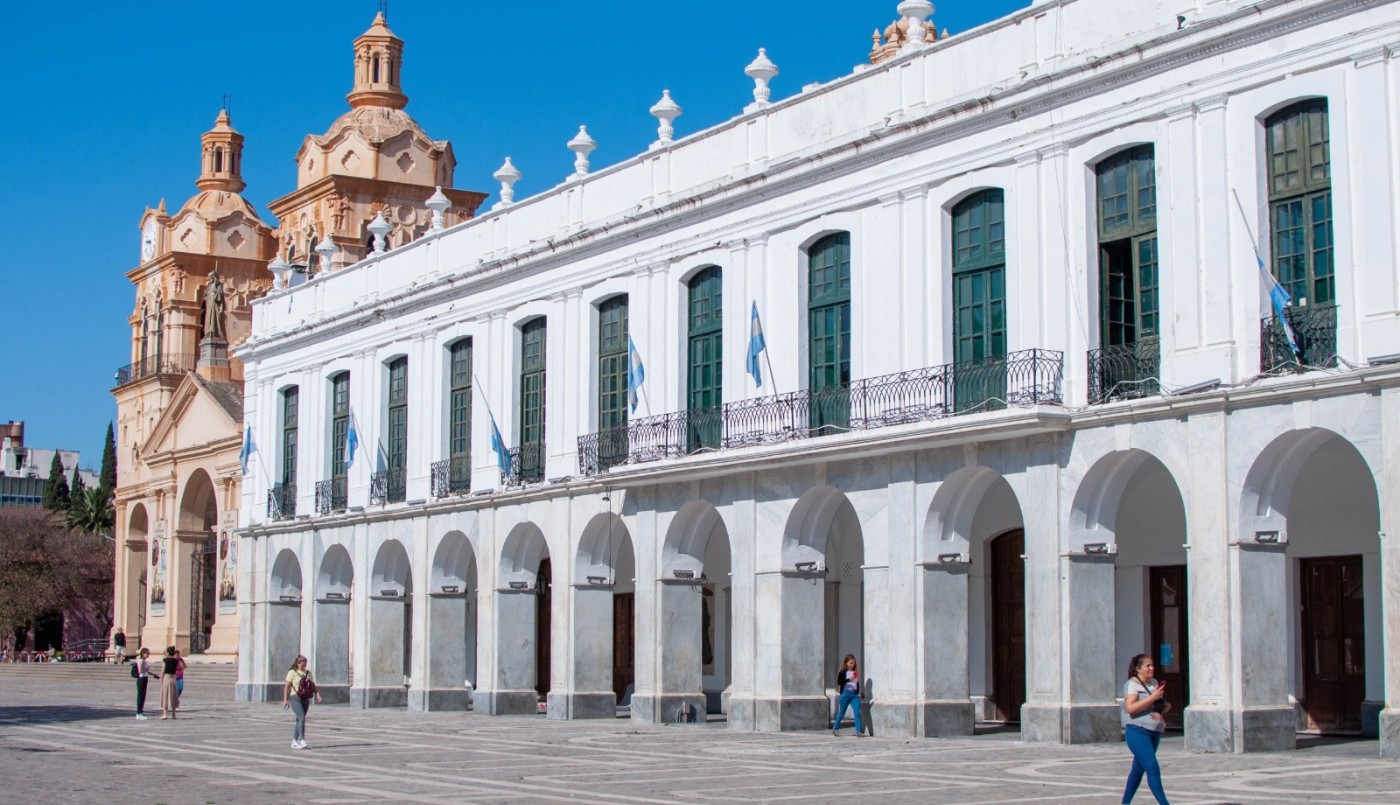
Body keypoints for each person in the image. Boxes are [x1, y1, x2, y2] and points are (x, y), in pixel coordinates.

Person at [1121, 653, 1172, 805]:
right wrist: (1153, 698)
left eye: (1152, 665)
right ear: (1138, 668)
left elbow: (1164, 705)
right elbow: (1131, 708)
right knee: (1152, 767)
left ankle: (1125, 803)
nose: (1151, 668)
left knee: (1137, 770)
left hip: (1153, 733)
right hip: (1137, 732)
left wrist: (1162, 709)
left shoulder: (1153, 683)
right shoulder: (1132, 684)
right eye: (1147, 666)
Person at [282, 655, 322, 749]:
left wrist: (317, 694)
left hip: (305, 698)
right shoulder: (292, 672)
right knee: (301, 717)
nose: (304, 666)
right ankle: (303, 740)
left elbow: (312, 685)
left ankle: (294, 741)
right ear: (298, 663)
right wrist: (285, 700)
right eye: (302, 665)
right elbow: (287, 686)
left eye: (305, 664)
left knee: (300, 719)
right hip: (294, 697)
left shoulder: (308, 673)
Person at [831, 654, 865, 737]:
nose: (852, 664)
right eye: (850, 663)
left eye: (853, 663)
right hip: (845, 694)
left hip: (854, 694)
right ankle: (835, 728)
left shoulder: (855, 673)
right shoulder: (842, 672)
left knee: (857, 712)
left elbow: (857, 684)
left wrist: (858, 692)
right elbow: (839, 682)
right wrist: (848, 679)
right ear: (846, 663)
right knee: (842, 712)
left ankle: (858, 731)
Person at [158, 646, 181, 720]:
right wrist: (177, 673)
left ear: (168, 652)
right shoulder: (176, 660)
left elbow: (163, 670)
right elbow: (182, 667)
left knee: (165, 695)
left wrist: (161, 680)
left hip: (167, 678)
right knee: (173, 695)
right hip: (173, 678)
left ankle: (164, 714)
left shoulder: (165, 660)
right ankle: (174, 714)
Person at [133, 648, 151, 720]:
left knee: (143, 696)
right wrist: (146, 670)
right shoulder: (140, 660)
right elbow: (140, 671)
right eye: (147, 653)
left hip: (145, 678)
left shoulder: (145, 661)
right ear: (143, 653)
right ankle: (138, 713)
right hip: (141, 679)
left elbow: (147, 671)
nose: (148, 654)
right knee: (140, 696)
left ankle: (141, 711)